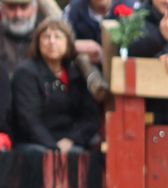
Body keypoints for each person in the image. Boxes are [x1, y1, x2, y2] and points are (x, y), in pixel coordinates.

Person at [10, 16, 101, 150]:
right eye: (46, 37)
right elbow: (28, 120)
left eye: (58, 37)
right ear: (38, 42)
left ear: (68, 42)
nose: (52, 42)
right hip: (35, 142)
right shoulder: (26, 72)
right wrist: (54, 147)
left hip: (70, 140)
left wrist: (71, 139)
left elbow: (90, 117)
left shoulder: (77, 73)